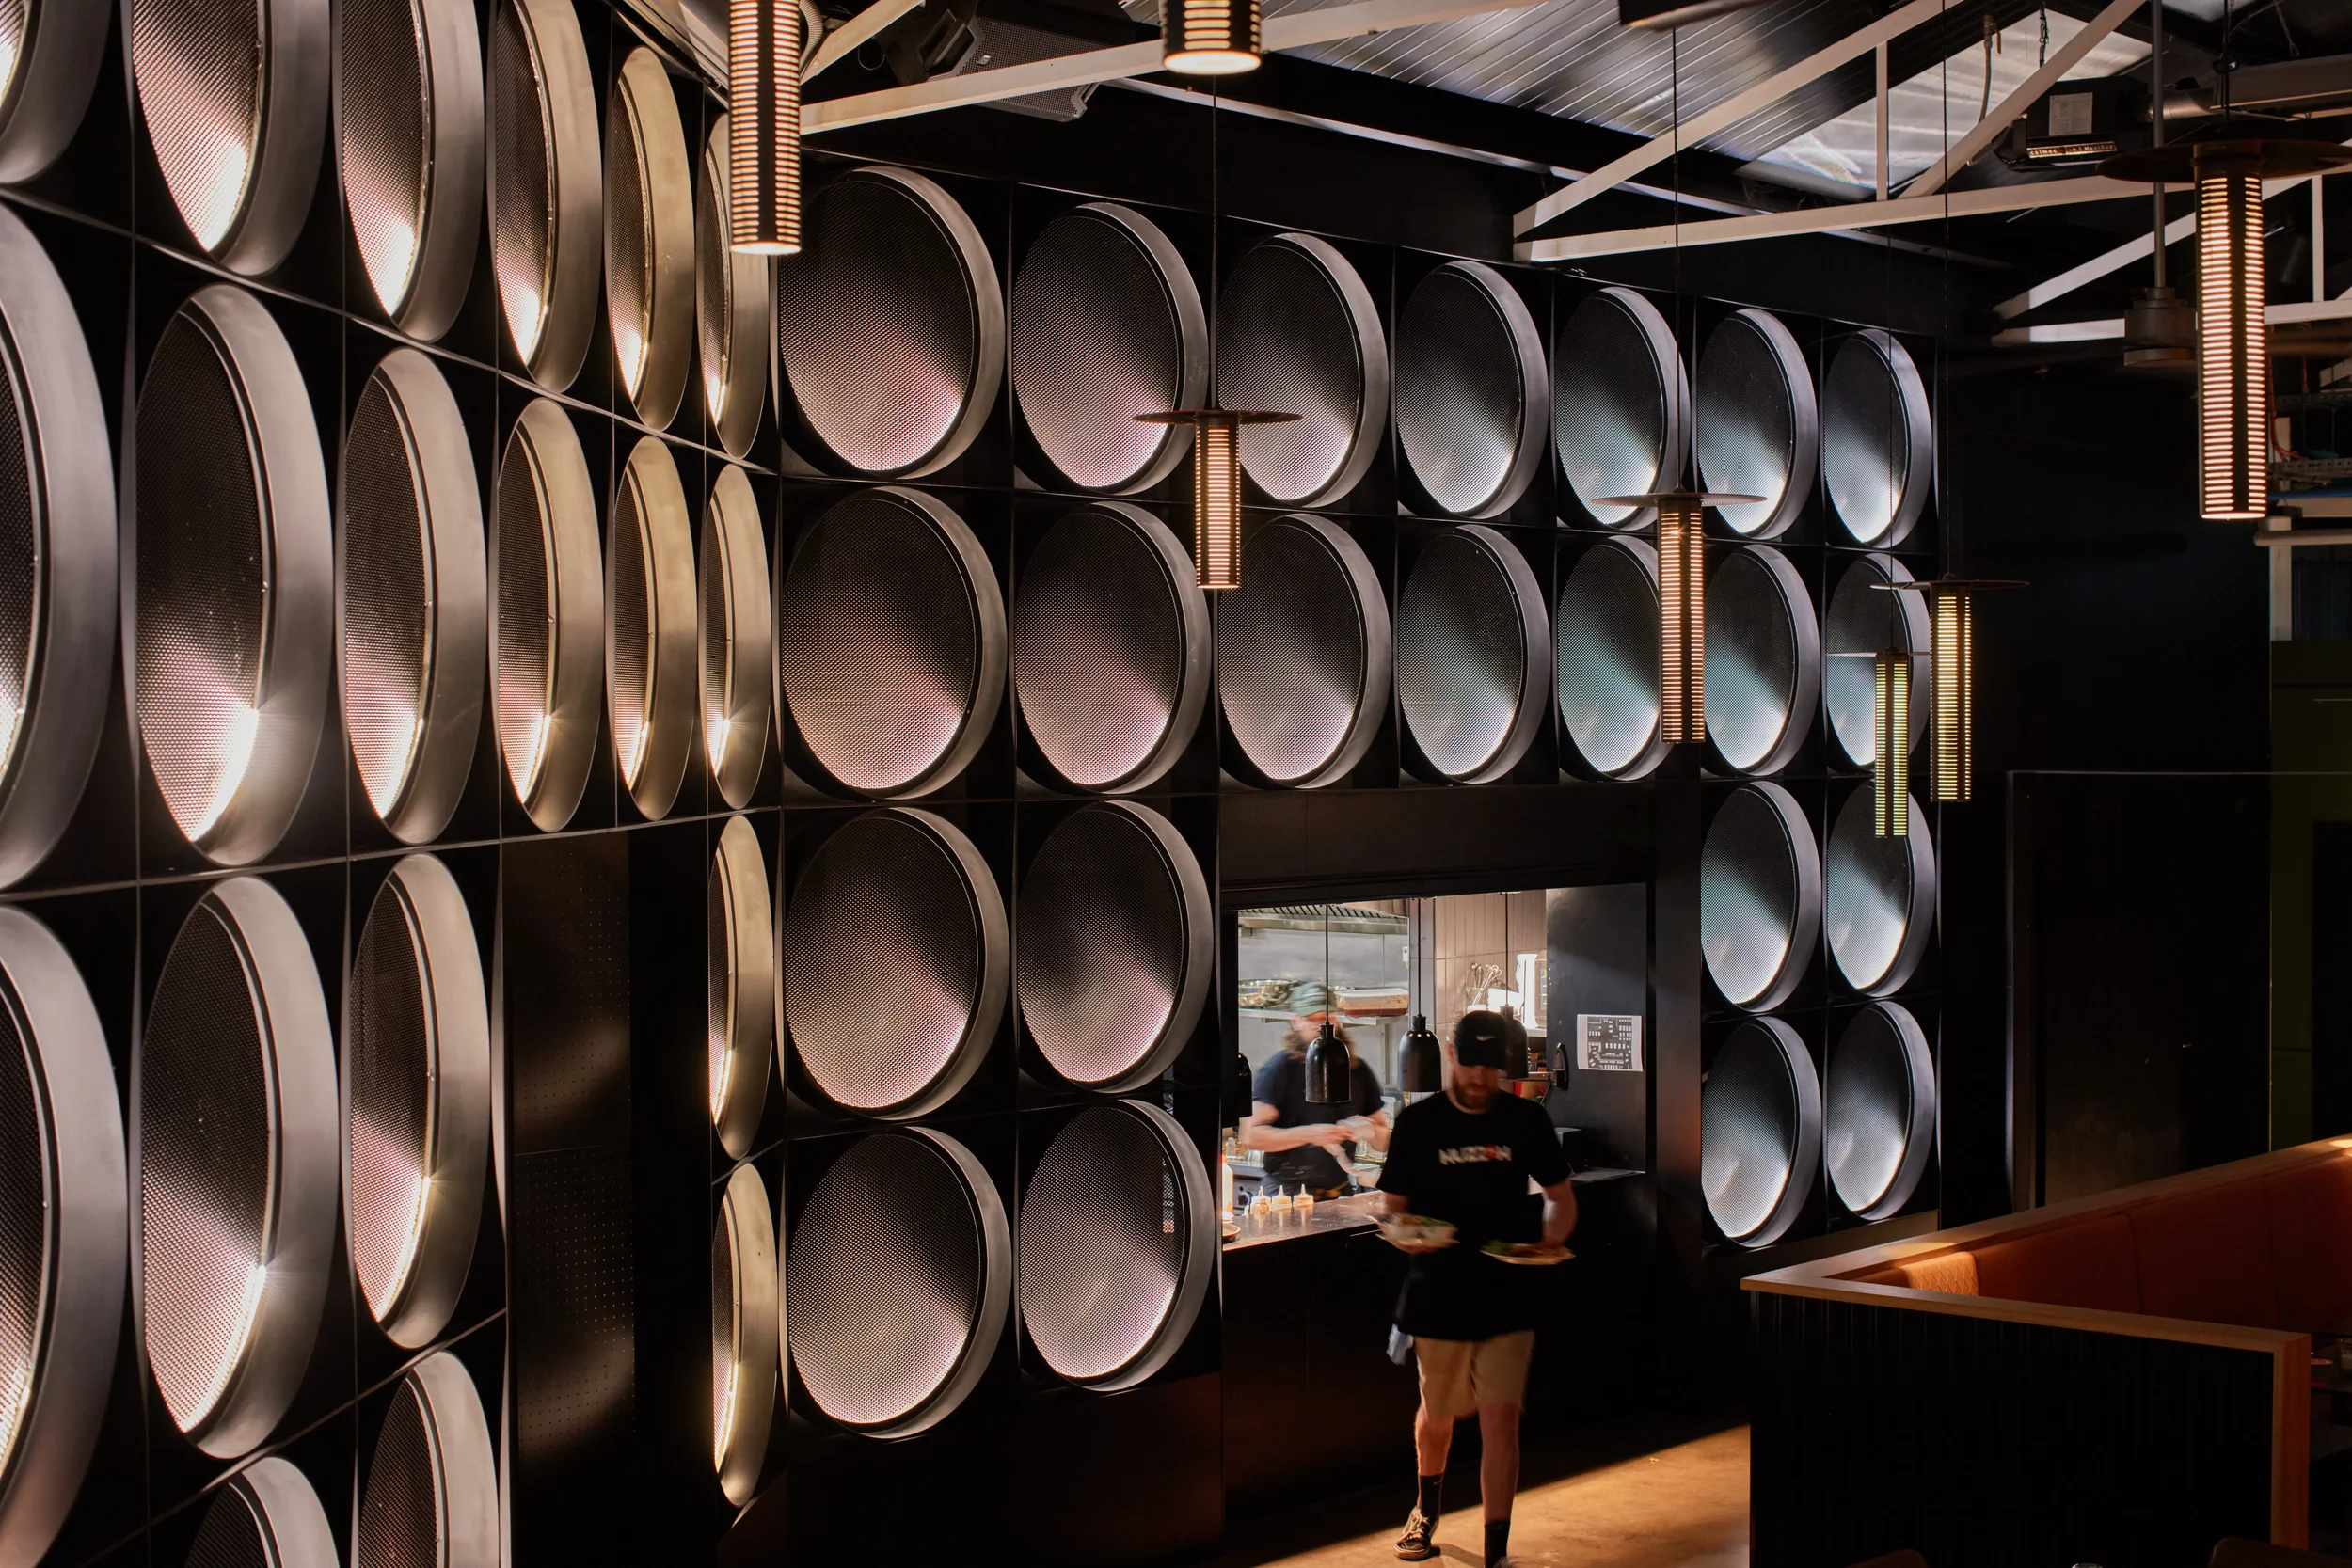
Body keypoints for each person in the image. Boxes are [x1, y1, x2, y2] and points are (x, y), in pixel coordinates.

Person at [1376, 1011, 1577, 1567]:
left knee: (1501, 1416)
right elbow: (1393, 1210)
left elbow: (1561, 1198)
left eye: (1492, 1069)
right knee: (1437, 1414)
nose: (1482, 1079)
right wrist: (1408, 1238)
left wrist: (1548, 1239)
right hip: (1436, 1292)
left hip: (1509, 1289)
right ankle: (1425, 1508)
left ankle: (1496, 1550)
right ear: (1450, 1055)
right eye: (1471, 1066)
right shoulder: (1419, 1125)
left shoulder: (1526, 1121)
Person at [1239, 985, 1390, 1197]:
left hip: (1338, 1194)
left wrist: (1370, 1130)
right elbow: (1250, 1136)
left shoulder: (1356, 1069)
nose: (1321, 1025)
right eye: (1312, 1019)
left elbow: (1385, 1142)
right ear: (1296, 1022)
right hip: (1285, 1195)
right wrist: (1310, 1134)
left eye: (1328, 1018)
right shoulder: (1280, 1069)